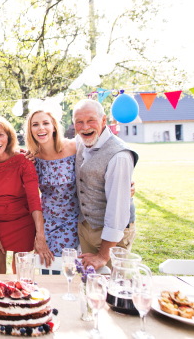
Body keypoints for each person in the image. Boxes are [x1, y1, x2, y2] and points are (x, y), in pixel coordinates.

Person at [0, 116, 53, 274]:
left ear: (9, 137)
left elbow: (34, 200)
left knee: (22, 269)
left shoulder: (24, 161)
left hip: (22, 221)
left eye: (1, 134)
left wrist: (40, 235)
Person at [72, 99, 138, 270]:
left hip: (113, 235)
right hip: (86, 227)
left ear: (103, 120)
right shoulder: (80, 142)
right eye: (79, 122)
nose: (85, 127)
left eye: (90, 120)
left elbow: (118, 210)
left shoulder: (119, 155)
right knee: (90, 281)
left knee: (113, 286)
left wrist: (103, 255)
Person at [25, 109, 79, 274]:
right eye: (35, 125)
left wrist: (128, 184)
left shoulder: (75, 147)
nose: (41, 128)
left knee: (68, 273)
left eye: (45, 123)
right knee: (46, 271)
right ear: (31, 130)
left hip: (74, 221)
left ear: (54, 127)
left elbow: (97, 169)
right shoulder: (33, 158)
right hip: (47, 223)